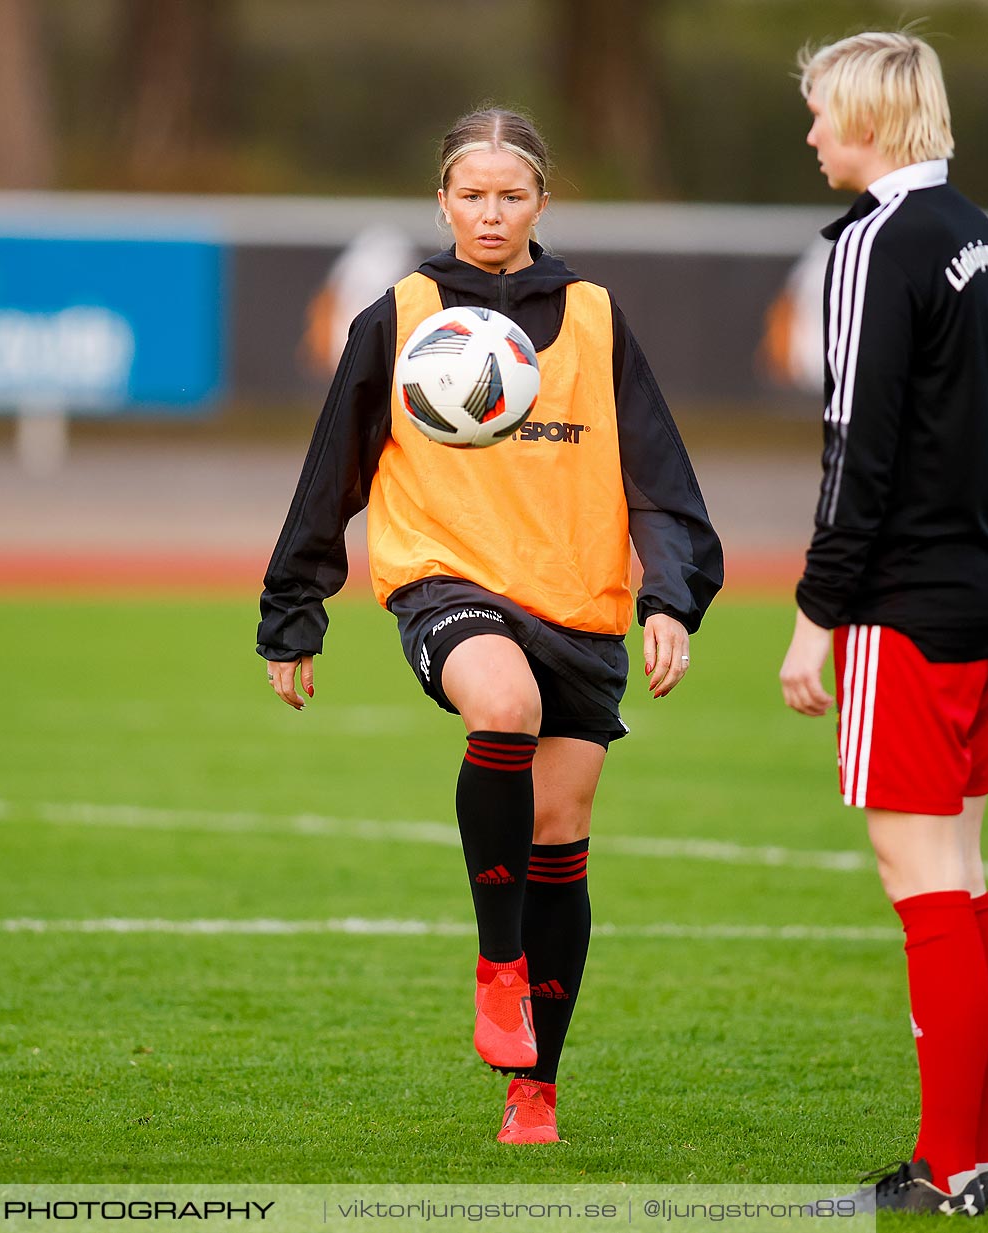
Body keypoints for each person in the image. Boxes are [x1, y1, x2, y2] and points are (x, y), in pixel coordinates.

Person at [258, 108, 723, 1146]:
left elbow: (660, 478)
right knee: (500, 704)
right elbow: (333, 463)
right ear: (442, 202)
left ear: (542, 206)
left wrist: (671, 600)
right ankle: (496, 963)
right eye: (471, 194)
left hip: (577, 604)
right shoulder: (404, 313)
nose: (490, 213)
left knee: (561, 833)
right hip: (446, 580)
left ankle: (535, 1087)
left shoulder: (598, 319)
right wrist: (295, 610)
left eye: (511, 195)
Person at [777, 32, 988, 1217]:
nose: (814, 133)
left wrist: (815, 616)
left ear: (869, 118)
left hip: (908, 610)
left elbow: (854, 448)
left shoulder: (880, 242)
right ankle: (968, 1164)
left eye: (824, 113)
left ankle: (944, 1170)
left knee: (921, 879)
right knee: (964, 880)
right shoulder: (978, 233)